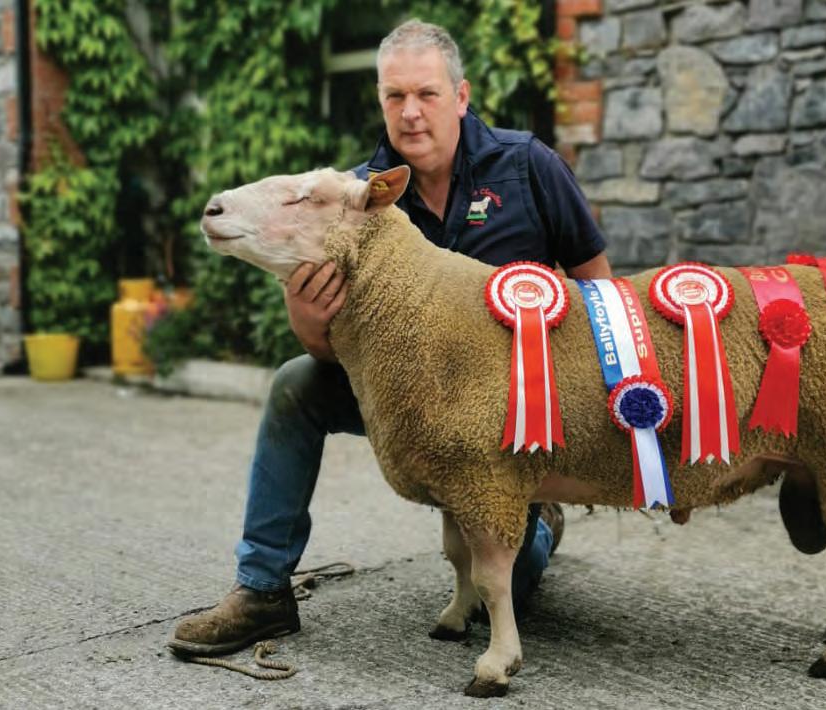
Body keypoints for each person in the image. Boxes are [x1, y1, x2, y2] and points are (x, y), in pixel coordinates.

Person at [168, 19, 612, 657]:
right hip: (406, 399)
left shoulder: (528, 166)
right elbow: (329, 347)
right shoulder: (349, 197)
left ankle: (535, 516)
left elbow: (599, 294)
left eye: (427, 94)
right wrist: (305, 313)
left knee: (511, 577)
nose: (410, 112)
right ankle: (261, 589)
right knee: (296, 384)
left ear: (460, 97)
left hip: (516, 412)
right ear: (380, 99)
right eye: (394, 95)